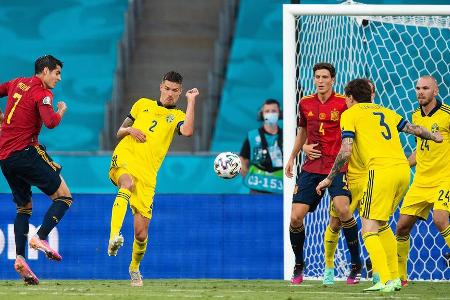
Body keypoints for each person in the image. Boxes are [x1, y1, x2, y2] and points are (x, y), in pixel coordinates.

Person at [316, 78, 442, 292]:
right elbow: (413, 129)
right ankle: (394, 277)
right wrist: (434, 136)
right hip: (403, 171)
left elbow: (346, 150)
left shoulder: (350, 114)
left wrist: (329, 177)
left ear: (349, 97)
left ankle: (384, 279)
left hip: (380, 171)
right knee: (381, 224)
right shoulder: (386, 111)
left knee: (368, 228)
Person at [107, 71, 199, 287]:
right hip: (126, 157)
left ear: (180, 92)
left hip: (148, 174)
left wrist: (192, 102)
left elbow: (187, 131)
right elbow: (119, 131)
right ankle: (113, 237)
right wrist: (131, 130)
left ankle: (134, 268)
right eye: (167, 88)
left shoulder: (176, 116)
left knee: (141, 234)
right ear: (160, 87)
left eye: (175, 91)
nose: (169, 94)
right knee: (126, 183)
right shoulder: (142, 105)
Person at [285, 62, 362, 285]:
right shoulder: (305, 103)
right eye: (317, 76)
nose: (320, 80)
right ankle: (299, 264)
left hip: (337, 167)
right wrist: (294, 155)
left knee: (342, 208)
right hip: (311, 167)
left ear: (333, 80)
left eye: (325, 77)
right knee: (295, 216)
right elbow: (303, 132)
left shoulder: (343, 104)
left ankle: (355, 264)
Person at [0, 55, 71, 285]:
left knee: (24, 208)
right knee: (64, 197)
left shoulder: (17, 83)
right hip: (25, 152)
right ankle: (40, 237)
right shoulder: (43, 93)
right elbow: (50, 122)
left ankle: (20, 259)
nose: (59, 78)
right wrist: (60, 111)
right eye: (57, 73)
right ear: (45, 71)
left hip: (5, 158)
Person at [303, 79, 378, 285]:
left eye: (373, 93)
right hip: (346, 173)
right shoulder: (347, 114)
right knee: (335, 221)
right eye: (367, 92)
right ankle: (329, 268)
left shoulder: (379, 116)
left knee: (374, 224)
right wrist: (305, 147)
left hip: (369, 176)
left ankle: (378, 270)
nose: (370, 97)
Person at [396, 76, 450, 287]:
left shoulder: (447, 115)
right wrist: (402, 165)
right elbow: (420, 150)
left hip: (444, 179)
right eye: (418, 88)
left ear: (435, 91)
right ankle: (400, 278)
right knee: (401, 227)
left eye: (425, 88)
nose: (420, 92)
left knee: (439, 218)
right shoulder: (415, 115)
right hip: (420, 181)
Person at [239, 98, 283, 194]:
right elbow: (243, 158)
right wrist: (243, 168)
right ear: (262, 114)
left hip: (281, 189)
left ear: (279, 113)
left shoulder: (287, 136)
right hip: (257, 187)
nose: (270, 114)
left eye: (274, 111)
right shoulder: (252, 136)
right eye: (267, 111)